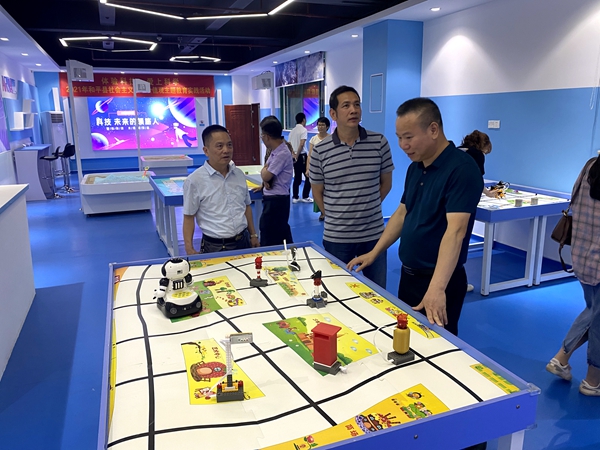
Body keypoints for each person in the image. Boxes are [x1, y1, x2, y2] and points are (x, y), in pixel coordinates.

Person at [347, 97, 482, 336]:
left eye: (408, 137)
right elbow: (402, 213)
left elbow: (456, 232)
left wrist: (437, 288)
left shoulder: (462, 169)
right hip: (409, 275)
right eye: (399, 137)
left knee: (435, 344)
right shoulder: (416, 167)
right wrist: (374, 252)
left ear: (433, 129)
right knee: (407, 338)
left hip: (440, 280)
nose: (403, 145)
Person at [309, 85, 393, 289]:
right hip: (336, 237)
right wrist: (335, 215)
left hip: (374, 236)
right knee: (337, 291)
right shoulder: (320, 150)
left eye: (357, 105)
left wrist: (368, 206)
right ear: (333, 113)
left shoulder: (379, 142)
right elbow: (317, 191)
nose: (353, 110)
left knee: (377, 293)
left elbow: (386, 183)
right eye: (346, 106)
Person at [546, 157, 600, 396]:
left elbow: (575, 200)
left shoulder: (590, 165)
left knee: (593, 310)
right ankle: (593, 380)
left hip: (583, 257)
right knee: (597, 320)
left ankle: (561, 358)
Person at [182, 125, 259, 254]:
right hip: (215, 246)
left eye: (229, 145)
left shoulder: (239, 174)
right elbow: (189, 216)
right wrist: (189, 248)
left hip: (243, 241)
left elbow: (246, 206)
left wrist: (253, 235)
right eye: (219, 146)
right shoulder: (195, 180)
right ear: (206, 151)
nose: (226, 150)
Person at [458, 130, 495, 293]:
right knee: (461, 244)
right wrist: (489, 193)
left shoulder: (458, 151)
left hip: (448, 203)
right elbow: (477, 178)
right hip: (465, 205)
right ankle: (459, 283)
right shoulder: (477, 155)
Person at [258, 116, 294, 246]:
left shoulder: (282, 153)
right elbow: (266, 172)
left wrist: (265, 175)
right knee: (270, 232)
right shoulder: (274, 152)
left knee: (272, 237)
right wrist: (264, 180)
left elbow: (266, 175)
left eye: (262, 136)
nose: (262, 138)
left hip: (277, 202)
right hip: (272, 200)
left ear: (267, 137)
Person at [458, 130, 498, 198]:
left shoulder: (457, 150)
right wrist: (488, 193)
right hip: (463, 193)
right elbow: (477, 180)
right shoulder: (477, 154)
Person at [306, 117, 331, 221]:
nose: (320, 127)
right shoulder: (313, 139)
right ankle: (322, 212)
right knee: (317, 190)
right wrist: (308, 168)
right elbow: (310, 155)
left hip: (328, 168)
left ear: (327, 127)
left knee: (328, 191)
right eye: (319, 125)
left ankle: (329, 211)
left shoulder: (331, 138)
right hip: (316, 168)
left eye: (322, 125)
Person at [289, 112, 312, 203]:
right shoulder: (303, 130)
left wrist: (293, 154)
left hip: (294, 155)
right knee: (308, 176)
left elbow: (289, 144)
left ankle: (295, 197)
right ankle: (305, 196)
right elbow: (302, 144)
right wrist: (297, 155)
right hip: (301, 156)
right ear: (303, 120)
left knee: (297, 177)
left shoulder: (292, 130)